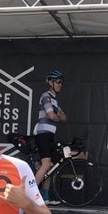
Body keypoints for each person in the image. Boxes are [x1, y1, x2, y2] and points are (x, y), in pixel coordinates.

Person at [33, 70, 66, 205]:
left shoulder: (55, 100)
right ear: (50, 83)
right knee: (46, 164)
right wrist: (56, 116)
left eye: (61, 82)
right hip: (43, 133)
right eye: (58, 82)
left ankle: (45, 198)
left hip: (50, 134)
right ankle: (32, 194)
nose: (60, 84)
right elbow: (53, 116)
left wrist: (56, 116)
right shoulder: (46, 96)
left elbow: (64, 118)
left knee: (49, 166)